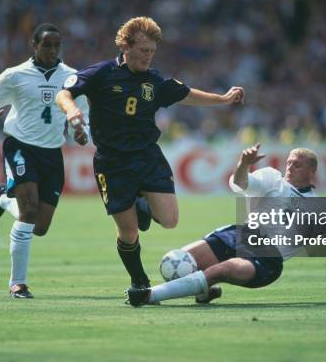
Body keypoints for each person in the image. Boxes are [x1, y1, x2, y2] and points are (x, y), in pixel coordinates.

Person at [55, 16, 244, 292]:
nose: (148, 57)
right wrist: (72, 112)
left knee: (170, 220)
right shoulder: (102, 73)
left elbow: (188, 94)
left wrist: (223, 100)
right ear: (125, 46)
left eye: (152, 52)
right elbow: (65, 93)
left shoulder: (153, 81)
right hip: (112, 163)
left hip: (147, 157)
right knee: (129, 233)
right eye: (144, 51)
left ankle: (142, 202)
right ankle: (139, 280)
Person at [127, 144, 326, 306]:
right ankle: (203, 292)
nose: (289, 168)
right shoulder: (272, 178)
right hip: (239, 235)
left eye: (296, 165)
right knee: (178, 260)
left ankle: (149, 296)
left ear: (311, 171)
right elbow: (240, 183)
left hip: (267, 259)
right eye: (289, 163)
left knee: (221, 269)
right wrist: (243, 164)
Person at [0, 23, 89, 299]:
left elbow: (82, 113)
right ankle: (18, 283)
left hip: (52, 153)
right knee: (28, 210)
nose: (51, 50)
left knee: (40, 227)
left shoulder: (72, 78)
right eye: (46, 45)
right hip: (20, 147)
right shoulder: (15, 75)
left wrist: (81, 132)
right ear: (34, 45)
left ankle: (3, 199)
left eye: (56, 45)